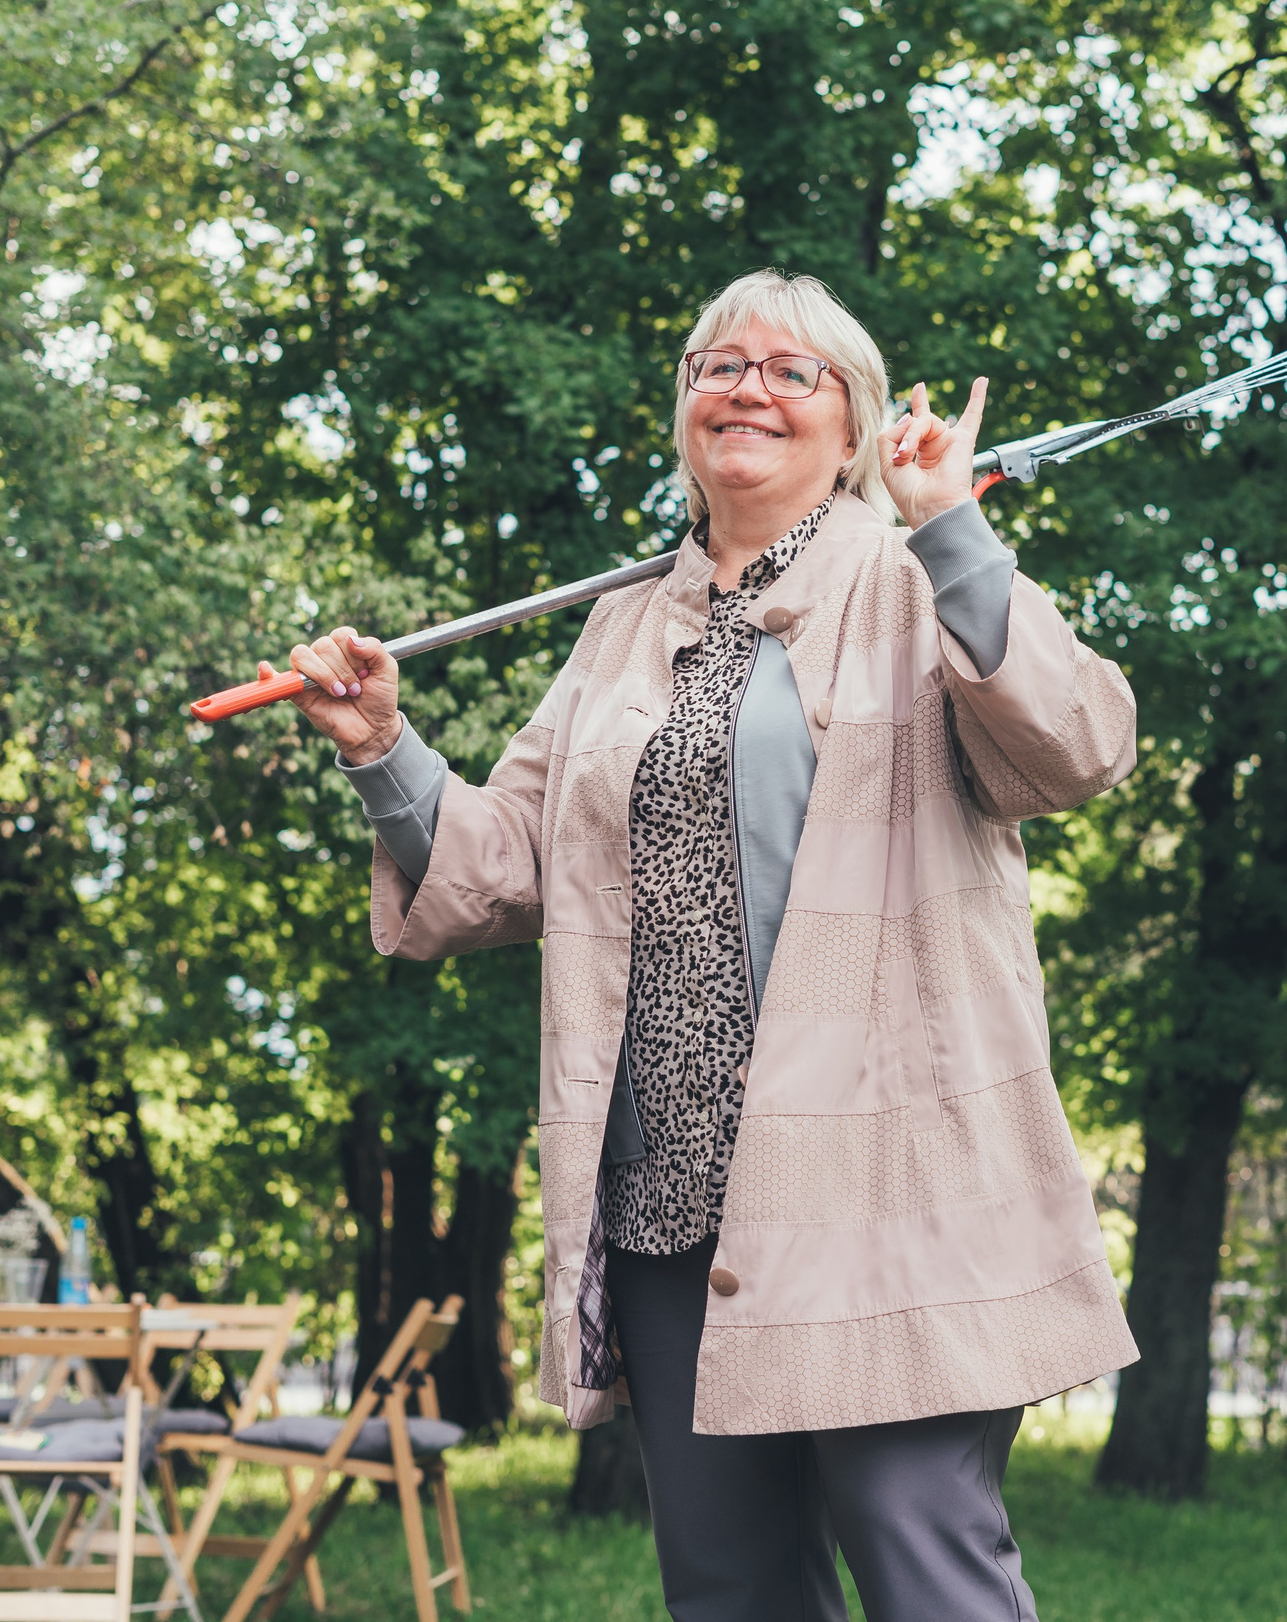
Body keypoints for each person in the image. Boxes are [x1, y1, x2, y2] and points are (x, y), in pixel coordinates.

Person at [271, 268, 1139, 1620]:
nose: (748, 385)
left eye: (794, 371)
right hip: (674, 1195)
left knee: (927, 1567)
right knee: (731, 1591)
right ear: (685, 407)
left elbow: (1076, 745)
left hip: (879, 1190)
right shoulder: (626, 629)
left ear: (851, 423)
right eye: (717, 364)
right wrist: (384, 745)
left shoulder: (916, 582)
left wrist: (956, 529)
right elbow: (500, 872)